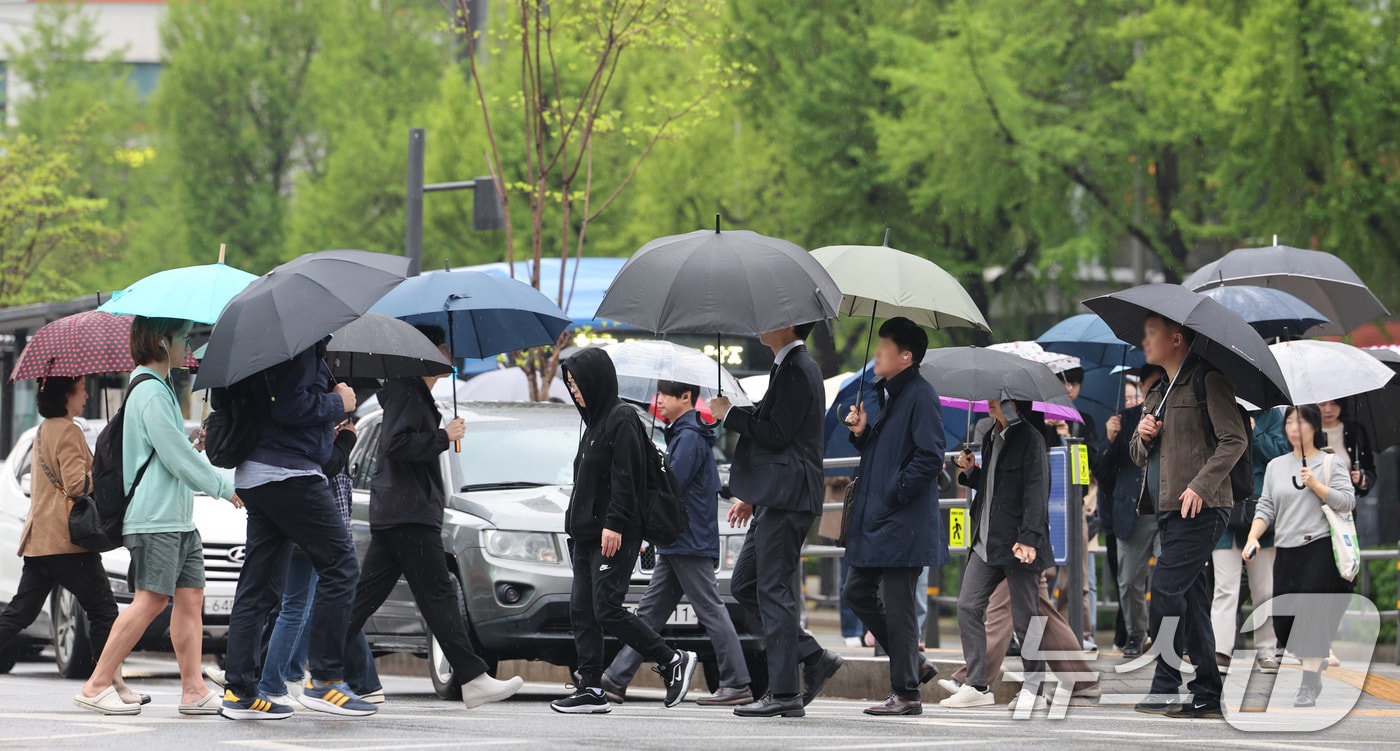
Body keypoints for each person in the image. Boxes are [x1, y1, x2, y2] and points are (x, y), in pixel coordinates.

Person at [347, 326, 524, 710]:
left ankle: (311, 665)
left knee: (365, 599)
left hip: (402, 513)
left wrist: (443, 435)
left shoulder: (413, 393)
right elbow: (396, 444)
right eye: (443, 348)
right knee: (438, 595)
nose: (449, 354)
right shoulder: (408, 392)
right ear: (424, 353)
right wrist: (444, 436)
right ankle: (474, 678)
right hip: (408, 514)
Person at [75, 317, 240, 716]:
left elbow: (167, 452)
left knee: (191, 597)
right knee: (151, 601)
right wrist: (223, 486)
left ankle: (194, 690)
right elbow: (173, 456)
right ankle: (97, 684)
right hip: (155, 519)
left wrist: (191, 443)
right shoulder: (149, 390)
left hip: (176, 517)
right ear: (162, 342)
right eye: (183, 338)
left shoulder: (159, 388)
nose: (188, 346)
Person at [221, 339, 373, 720]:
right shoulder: (298, 349)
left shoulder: (264, 348)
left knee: (259, 586)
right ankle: (325, 680)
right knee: (341, 565)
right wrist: (338, 402)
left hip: (258, 475)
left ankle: (240, 691)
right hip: (290, 475)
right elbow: (290, 406)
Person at [550, 348, 698, 714]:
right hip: (585, 536)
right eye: (570, 385)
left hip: (614, 533)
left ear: (596, 381)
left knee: (607, 609)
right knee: (582, 611)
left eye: (578, 383)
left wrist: (615, 523)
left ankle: (672, 659)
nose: (574, 390)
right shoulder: (593, 423)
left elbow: (627, 477)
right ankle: (590, 687)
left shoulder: (622, 418)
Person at [709, 322, 841, 719]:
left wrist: (730, 414)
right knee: (746, 583)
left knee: (772, 588)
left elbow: (776, 434)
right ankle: (812, 655)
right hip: (774, 496)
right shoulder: (786, 366)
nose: (760, 326)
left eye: (769, 320)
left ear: (787, 324)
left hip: (788, 497)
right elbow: (778, 429)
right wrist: (753, 496)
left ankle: (784, 691)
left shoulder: (799, 368)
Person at [600, 380, 752, 707]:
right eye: (658, 395)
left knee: (709, 609)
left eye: (665, 395)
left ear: (685, 397)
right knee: (650, 612)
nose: (659, 401)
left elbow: (670, 485)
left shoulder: (689, 437)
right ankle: (615, 678)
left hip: (688, 538)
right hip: (679, 538)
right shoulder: (682, 434)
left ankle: (737, 682)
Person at [1129, 315, 1246, 719]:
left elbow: (1235, 439)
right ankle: (1208, 692)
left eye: (1151, 333)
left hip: (1202, 508)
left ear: (1176, 338)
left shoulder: (1208, 381)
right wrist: (1143, 436)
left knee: (1164, 589)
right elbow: (1137, 455)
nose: (1145, 340)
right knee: (1192, 602)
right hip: (1167, 509)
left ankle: (1165, 684)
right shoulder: (1158, 391)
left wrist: (1200, 485)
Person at [0, 378, 141, 710]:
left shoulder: (43, 429)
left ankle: (114, 683)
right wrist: (105, 473)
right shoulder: (68, 430)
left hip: (40, 539)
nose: (87, 395)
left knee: (21, 612)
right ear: (67, 395)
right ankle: (107, 683)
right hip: (67, 542)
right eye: (81, 389)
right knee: (103, 610)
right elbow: (77, 485)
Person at [841, 318, 946, 716]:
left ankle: (906, 693)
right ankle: (913, 663)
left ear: (906, 356)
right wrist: (863, 432)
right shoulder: (891, 395)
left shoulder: (920, 395)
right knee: (856, 591)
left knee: (900, 609)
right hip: (882, 521)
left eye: (885, 346)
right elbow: (887, 454)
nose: (877, 353)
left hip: (904, 522)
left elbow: (930, 456)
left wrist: (895, 491)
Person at [257, 417, 382, 708]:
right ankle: (274, 682)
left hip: (314, 530)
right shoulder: (316, 432)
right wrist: (345, 440)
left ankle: (285, 677)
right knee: (296, 607)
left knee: (305, 606)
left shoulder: (318, 431)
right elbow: (326, 467)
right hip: (314, 530)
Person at [943, 398, 1054, 711]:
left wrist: (1029, 538)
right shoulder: (992, 436)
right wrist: (971, 472)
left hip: (1018, 541)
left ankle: (1035, 689)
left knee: (1026, 618)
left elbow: (1037, 491)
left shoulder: (1030, 438)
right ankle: (977, 684)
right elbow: (994, 487)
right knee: (968, 605)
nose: (991, 402)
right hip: (987, 539)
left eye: (999, 398)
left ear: (1015, 404)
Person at [1244, 404, 1356, 707]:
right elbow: (1266, 506)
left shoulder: (1330, 463)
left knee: (1311, 613)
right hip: (1285, 547)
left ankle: (1307, 684)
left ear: (1314, 426)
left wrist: (1317, 486)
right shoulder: (1276, 466)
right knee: (1283, 623)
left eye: (1301, 422)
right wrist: (1253, 537)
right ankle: (1313, 667)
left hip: (1319, 547)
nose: (1294, 427)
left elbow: (1347, 502)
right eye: (1290, 422)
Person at [1210, 407, 1289, 674]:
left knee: (1264, 589)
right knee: (1225, 587)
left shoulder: (1272, 416)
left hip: (1261, 513)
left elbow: (1281, 455)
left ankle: (1266, 650)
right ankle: (1220, 650)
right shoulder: (1219, 408)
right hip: (1225, 509)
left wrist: (1254, 433)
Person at [1098, 365, 1165, 658]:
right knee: (1128, 581)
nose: (1155, 391)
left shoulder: (1176, 415)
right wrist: (1110, 440)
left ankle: (1168, 635)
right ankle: (1137, 633)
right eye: (1150, 386)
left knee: (1167, 577)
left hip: (1167, 509)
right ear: (1140, 387)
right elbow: (1103, 473)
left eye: (1161, 385)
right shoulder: (1124, 419)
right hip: (1132, 510)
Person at [1318, 400, 1376, 498]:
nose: (1328, 410)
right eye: (1322, 404)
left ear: (1341, 404)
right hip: (1314, 500)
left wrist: (1362, 480)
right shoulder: (1306, 431)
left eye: (1334, 403)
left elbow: (1369, 468)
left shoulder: (1355, 431)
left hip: (1346, 499)